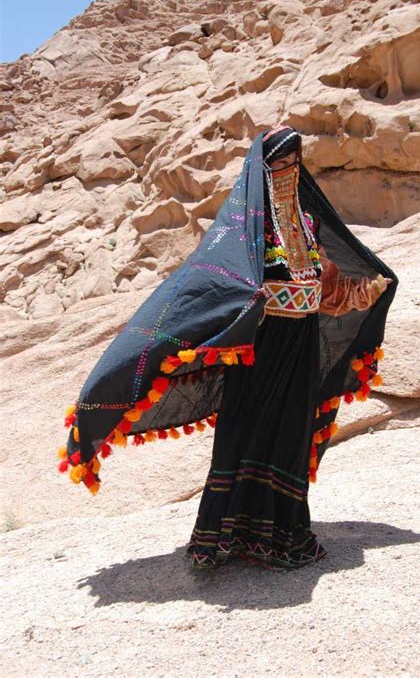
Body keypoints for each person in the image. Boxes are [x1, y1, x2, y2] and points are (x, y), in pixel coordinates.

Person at [57, 126, 397, 572]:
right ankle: (221, 539)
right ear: (263, 166)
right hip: (259, 350)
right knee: (246, 432)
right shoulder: (245, 228)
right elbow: (215, 281)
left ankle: (283, 536)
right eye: (278, 163)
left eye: (294, 163)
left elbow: (322, 287)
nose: (287, 171)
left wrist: (361, 294)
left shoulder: (308, 224)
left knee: (291, 435)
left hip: (300, 347)